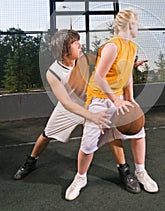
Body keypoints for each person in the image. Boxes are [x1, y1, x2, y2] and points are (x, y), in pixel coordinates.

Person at [65, 9, 159, 201]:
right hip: (99, 98)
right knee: (89, 144)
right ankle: (80, 178)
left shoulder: (132, 47)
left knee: (139, 132)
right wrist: (115, 100)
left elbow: (127, 75)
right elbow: (99, 76)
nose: (138, 27)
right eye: (137, 23)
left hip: (118, 97)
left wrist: (130, 98)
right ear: (129, 25)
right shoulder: (112, 47)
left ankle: (141, 171)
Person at [13, 29, 111, 180]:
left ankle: (123, 168)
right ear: (64, 49)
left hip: (88, 104)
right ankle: (31, 162)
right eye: (74, 42)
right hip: (67, 108)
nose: (80, 45)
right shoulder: (53, 73)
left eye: (79, 41)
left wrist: (131, 66)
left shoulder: (84, 59)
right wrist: (92, 116)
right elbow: (66, 102)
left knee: (111, 134)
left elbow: (107, 66)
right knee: (46, 135)